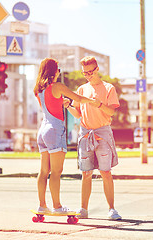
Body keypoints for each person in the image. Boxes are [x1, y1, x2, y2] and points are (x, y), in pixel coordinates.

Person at [33, 58, 94, 214]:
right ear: (54, 71)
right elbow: (78, 98)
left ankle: (42, 206)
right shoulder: (58, 86)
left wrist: (62, 102)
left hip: (43, 130)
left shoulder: (38, 89)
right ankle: (57, 207)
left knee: (43, 171)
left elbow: (50, 104)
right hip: (54, 130)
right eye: (58, 69)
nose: (59, 71)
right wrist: (94, 101)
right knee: (56, 172)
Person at [65, 56, 122, 220]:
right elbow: (78, 114)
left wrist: (99, 104)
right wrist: (68, 106)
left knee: (106, 172)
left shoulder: (108, 88)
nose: (88, 75)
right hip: (85, 133)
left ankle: (112, 209)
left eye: (90, 72)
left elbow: (111, 112)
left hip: (102, 133)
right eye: (85, 73)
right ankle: (83, 209)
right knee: (86, 173)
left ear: (97, 69)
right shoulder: (81, 89)